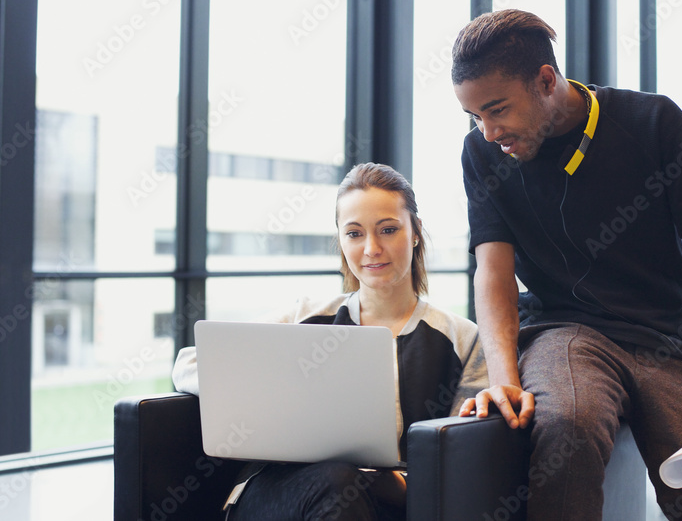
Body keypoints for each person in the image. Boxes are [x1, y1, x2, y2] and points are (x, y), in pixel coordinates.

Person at [450, 9, 682, 520]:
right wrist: (503, 378)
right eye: (475, 116)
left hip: (669, 340)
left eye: (497, 109)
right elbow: (493, 274)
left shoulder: (653, 122)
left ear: (545, 80)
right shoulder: (480, 153)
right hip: (566, 331)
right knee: (569, 422)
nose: (488, 130)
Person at [172, 162, 487, 521]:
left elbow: (461, 458)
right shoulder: (306, 317)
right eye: (354, 233)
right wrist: (268, 389)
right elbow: (189, 363)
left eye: (388, 229)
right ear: (340, 239)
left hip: (391, 503)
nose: (371, 249)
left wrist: (394, 483)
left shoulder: (462, 339)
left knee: (341, 485)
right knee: (336, 482)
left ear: (415, 233)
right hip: (282, 494)